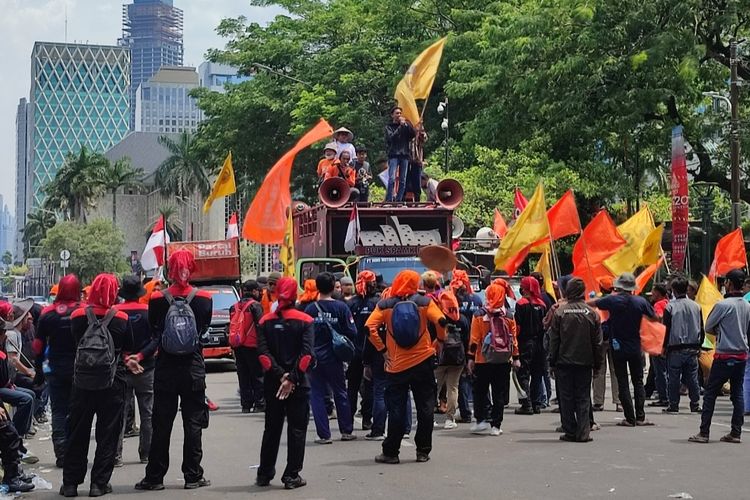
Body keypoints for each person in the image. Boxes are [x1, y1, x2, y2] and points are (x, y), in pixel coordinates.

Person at [135, 250, 213, 491]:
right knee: (193, 424)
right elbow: (203, 330)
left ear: (169, 269)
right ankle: (192, 475)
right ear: (192, 267)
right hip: (193, 369)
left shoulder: (157, 299)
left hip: (165, 369)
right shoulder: (205, 299)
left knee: (162, 424)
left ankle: (155, 477)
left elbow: (155, 332)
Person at [61, 273, 136, 498]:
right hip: (112, 382)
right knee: (108, 434)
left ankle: (71, 484)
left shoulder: (77, 315)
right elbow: (128, 348)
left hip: (82, 382)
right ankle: (99, 484)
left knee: (77, 433)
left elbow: (73, 343)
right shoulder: (122, 318)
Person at [366, 269, 446, 464]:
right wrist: (438, 343)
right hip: (423, 361)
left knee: (396, 409)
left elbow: (369, 327)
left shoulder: (385, 304)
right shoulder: (425, 302)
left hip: (396, 365)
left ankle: (391, 452)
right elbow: (441, 320)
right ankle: (423, 451)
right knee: (425, 408)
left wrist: (383, 350)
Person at [255, 277, 314, 490]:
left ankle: (264, 473)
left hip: (273, 384)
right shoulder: (306, 320)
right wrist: (292, 378)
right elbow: (306, 355)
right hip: (298, 384)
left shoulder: (265, 321)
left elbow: (263, 355)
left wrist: (281, 377)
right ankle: (291, 476)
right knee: (297, 430)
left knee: (271, 429)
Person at [689, 269, 750, 444]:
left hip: (724, 354)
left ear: (729, 283)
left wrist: (721, 331)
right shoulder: (747, 305)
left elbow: (708, 327)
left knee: (710, 394)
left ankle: (704, 432)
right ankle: (736, 432)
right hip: (741, 355)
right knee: (737, 394)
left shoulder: (723, 305)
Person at [592, 272, 657, 427]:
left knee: (622, 381)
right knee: (638, 381)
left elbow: (593, 303)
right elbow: (654, 317)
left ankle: (629, 417)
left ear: (619, 287)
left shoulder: (613, 300)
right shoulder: (640, 302)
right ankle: (640, 416)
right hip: (635, 346)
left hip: (618, 345)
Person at [304, 272, 357, 443]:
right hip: (335, 358)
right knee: (341, 393)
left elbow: (304, 335)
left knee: (317, 395)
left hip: (314, 359)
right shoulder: (342, 308)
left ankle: (324, 435)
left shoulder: (310, 309)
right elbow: (352, 332)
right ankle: (346, 431)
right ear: (334, 285)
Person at [34, 274, 80, 467]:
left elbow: (38, 346)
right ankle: (75, 452)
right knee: (76, 412)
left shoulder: (47, 314)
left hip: (55, 368)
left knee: (58, 411)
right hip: (80, 370)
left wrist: (38, 372)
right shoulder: (84, 312)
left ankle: (61, 453)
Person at [548, 278, 602, 443]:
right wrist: (597, 364)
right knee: (583, 397)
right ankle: (583, 432)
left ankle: (570, 431)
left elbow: (554, 340)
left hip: (564, 362)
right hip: (585, 362)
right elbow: (597, 343)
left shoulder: (559, 313)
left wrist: (552, 361)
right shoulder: (592, 314)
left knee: (566, 398)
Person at [114, 275, 157, 467]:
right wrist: (139, 357)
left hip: (121, 369)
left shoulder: (114, 313)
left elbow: (113, 342)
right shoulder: (149, 312)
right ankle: (146, 454)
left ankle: (116, 456)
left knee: (119, 413)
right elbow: (156, 340)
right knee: (147, 413)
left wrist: (126, 358)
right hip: (146, 368)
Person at [467, 283, 518, 435]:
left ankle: (481, 420)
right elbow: (513, 339)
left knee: (480, 391)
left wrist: (470, 358)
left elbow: (474, 339)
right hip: (502, 360)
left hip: (482, 360)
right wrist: (516, 357)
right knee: (499, 393)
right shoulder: (508, 315)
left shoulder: (479, 314)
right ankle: (496, 426)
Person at [662, 276, 703, 414]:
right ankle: (695, 404)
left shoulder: (670, 307)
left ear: (673, 290)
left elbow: (666, 330)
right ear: (686, 289)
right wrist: (699, 346)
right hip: (692, 347)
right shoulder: (696, 306)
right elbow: (701, 328)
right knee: (692, 378)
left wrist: (663, 347)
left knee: (673, 378)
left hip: (675, 348)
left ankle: (674, 405)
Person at [347, 271, 378, 430]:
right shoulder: (378, 303)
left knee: (352, 387)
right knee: (370, 387)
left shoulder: (351, 303)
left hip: (354, 351)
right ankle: (367, 419)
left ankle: (349, 420)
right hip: (373, 351)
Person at [230, 280, 265, 413]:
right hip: (252, 344)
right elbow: (260, 326)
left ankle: (246, 405)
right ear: (255, 291)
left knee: (243, 375)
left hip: (237, 344)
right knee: (257, 374)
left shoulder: (234, 307)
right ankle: (259, 403)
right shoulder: (255, 306)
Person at [514, 276, 548, 414]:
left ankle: (526, 404)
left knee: (523, 374)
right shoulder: (542, 304)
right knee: (537, 373)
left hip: (525, 343)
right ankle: (536, 403)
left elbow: (517, 326)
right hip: (540, 343)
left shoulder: (521, 303)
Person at [434, 291, 467, 430]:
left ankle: (429, 417)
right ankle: (450, 418)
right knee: (453, 388)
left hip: (440, 358)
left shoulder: (438, 318)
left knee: (434, 387)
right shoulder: (463, 319)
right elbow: (467, 338)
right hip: (458, 358)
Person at [384, 106, 416, 202]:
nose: (399, 115)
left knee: (403, 180)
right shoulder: (388, 127)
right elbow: (391, 138)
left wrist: (406, 125)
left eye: (400, 113)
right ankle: (389, 199)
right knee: (392, 179)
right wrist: (400, 127)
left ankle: (399, 200)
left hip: (404, 155)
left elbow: (413, 134)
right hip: (393, 155)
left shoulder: (405, 126)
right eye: (397, 113)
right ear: (392, 115)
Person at [646, 283, 670, 407]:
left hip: (658, 341)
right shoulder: (669, 303)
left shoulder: (658, 305)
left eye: (653, 292)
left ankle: (663, 397)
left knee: (659, 372)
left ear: (659, 293)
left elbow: (659, 317)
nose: (652, 294)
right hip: (669, 341)